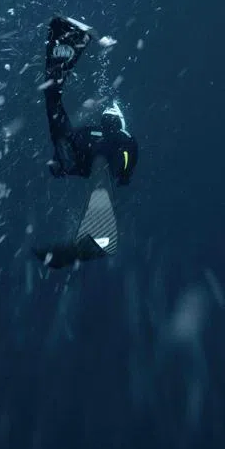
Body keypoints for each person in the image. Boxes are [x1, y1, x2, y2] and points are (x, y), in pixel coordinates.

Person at [33, 16, 139, 269]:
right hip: (87, 160)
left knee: (54, 105)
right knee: (100, 173)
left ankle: (65, 51)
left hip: (81, 158)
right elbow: (125, 169)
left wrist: (61, 163)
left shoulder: (106, 135)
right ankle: (99, 236)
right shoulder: (123, 139)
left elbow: (65, 139)